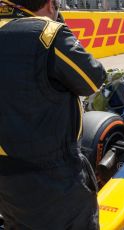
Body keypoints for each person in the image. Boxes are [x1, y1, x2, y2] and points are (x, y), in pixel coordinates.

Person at [0, 0, 106, 229]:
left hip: (6, 176)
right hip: (53, 176)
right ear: (50, 4)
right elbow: (93, 79)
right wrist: (58, 25)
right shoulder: (47, 34)